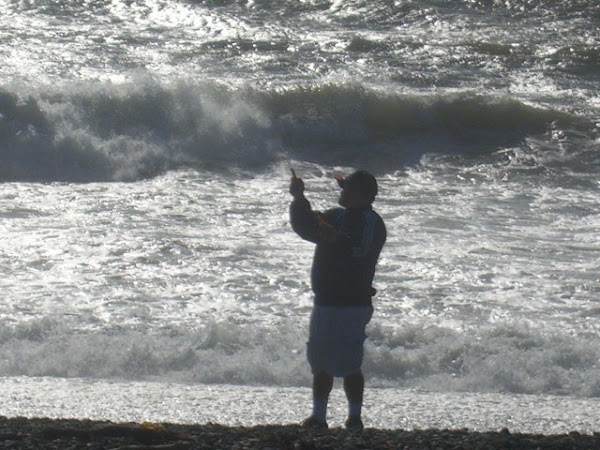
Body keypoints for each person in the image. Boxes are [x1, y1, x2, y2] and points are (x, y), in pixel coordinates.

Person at [289, 169, 387, 431]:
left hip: (352, 305)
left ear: (360, 193)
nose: (341, 192)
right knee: (321, 361)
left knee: (349, 363)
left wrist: (337, 240)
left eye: (346, 188)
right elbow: (307, 227)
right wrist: (299, 198)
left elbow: (360, 249)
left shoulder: (370, 221)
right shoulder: (336, 215)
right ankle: (318, 417)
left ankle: (354, 417)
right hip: (325, 301)